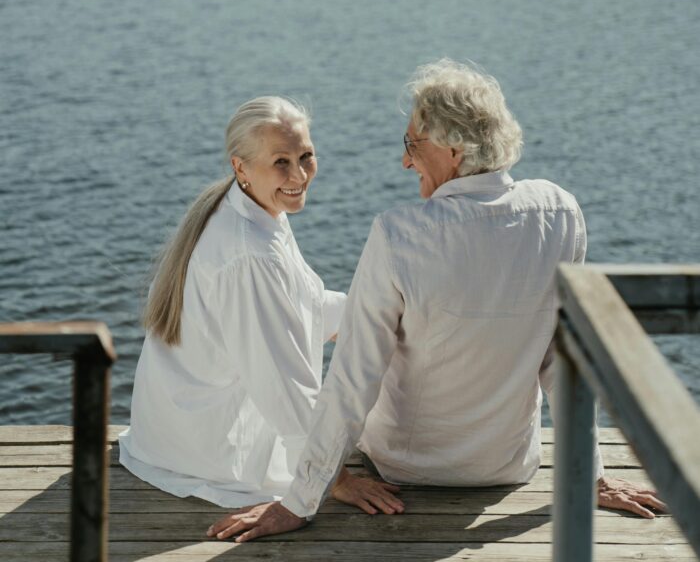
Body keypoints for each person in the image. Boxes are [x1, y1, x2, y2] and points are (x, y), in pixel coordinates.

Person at [207, 60, 666, 542]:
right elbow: (564, 358)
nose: (405, 161)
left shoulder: (399, 234)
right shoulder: (560, 213)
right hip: (506, 466)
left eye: (412, 144)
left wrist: (300, 502)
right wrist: (587, 476)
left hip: (404, 467)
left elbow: (352, 378)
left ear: (453, 149)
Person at [119, 95, 402, 514]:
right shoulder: (250, 253)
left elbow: (298, 304)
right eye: (281, 162)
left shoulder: (248, 209)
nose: (300, 174)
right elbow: (284, 382)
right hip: (207, 451)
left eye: (306, 156)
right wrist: (332, 478)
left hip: (169, 433)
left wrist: (390, 311)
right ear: (241, 167)